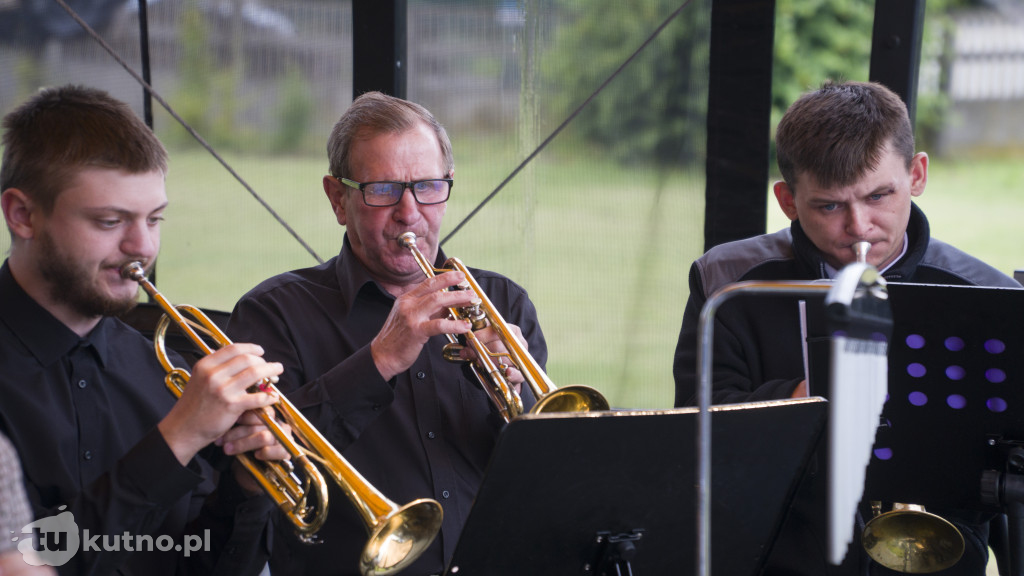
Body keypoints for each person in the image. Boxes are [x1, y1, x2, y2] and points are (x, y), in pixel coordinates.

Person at [672, 80, 1020, 575]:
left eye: (879, 196)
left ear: (917, 175)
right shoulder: (727, 278)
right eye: (829, 206)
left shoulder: (985, 292)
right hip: (777, 555)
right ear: (788, 200)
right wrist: (804, 395)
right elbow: (694, 426)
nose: (859, 226)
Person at [226, 91, 548, 576]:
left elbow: (542, 483)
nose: (409, 213)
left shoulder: (503, 302)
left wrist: (516, 400)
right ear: (338, 198)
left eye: (428, 186)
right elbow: (263, 471)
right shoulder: (275, 313)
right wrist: (379, 360)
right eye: (382, 189)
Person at [0, 84, 289, 575]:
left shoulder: (159, 369)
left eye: (154, 219)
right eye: (110, 221)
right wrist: (176, 440)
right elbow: (33, 559)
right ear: (23, 215)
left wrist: (246, 490)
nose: (143, 247)